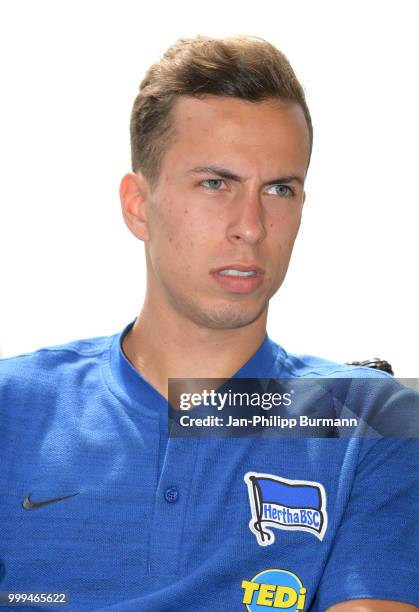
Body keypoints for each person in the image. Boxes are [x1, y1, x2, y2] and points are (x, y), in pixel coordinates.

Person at [0, 35, 418, 612]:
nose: (251, 226)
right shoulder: (11, 407)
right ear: (137, 205)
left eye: (279, 188)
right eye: (215, 183)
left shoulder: (370, 421)